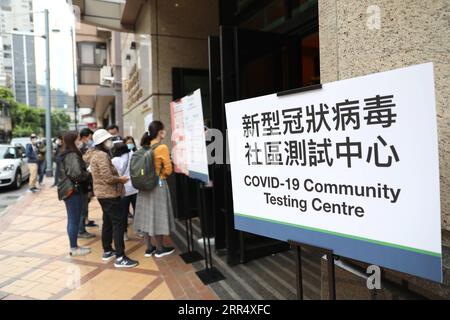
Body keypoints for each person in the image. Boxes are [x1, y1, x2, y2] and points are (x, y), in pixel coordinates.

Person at [89, 129, 138, 268]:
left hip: (102, 194)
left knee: (108, 222)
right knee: (118, 223)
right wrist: (120, 180)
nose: (110, 142)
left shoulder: (95, 155)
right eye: (108, 140)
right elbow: (107, 177)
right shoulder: (102, 156)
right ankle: (120, 257)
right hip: (108, 194)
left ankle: (107, 250)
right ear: (102, 142)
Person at [133, 121, 176, 258]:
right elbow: (168, 170)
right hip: (157, 185)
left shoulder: (145, 146)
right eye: (164, 130)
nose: (165, 132)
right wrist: (161, 173)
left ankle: (149, 248)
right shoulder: (162, 147)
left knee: (145, 216)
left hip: (143, 187)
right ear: (160, 132)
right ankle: (160, 249)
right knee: (158, 216)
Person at [57, 131, 91, 257]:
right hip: (73, 191)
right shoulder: (71, 155)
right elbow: (76, 174)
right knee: (73, 219)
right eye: (78, 139)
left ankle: (74, 245)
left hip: (70, 190)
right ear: (73, 140)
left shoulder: (67, 153)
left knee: (73, 219)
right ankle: (74, 247)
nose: (79, 141)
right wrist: (88, 172)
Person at [111, 142, 138, 241]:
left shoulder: (114, 160)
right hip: (135, 188)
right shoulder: (132, 155)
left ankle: (124, 233)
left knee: (123, 213)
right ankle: (139, 230)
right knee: (137, 211)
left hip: (123, 190)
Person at [76, 128, 96, 239]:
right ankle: (81, 230)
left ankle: (82, 227)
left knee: (85, 205)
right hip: (83, 180)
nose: (90, 139)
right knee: (82, 207)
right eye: (90, 137)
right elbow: (83, 164)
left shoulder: (84, 147)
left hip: (86, 180)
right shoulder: (81, 149)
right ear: (85, 137)